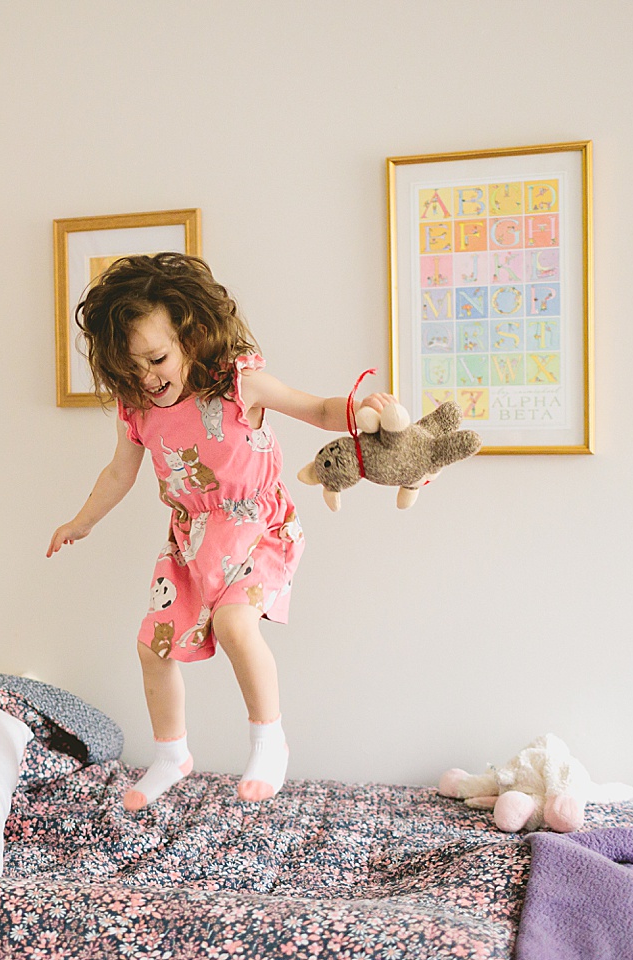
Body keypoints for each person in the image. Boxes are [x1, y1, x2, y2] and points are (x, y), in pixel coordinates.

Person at [46, 253, 391, 808]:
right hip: (191, 541)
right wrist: (80, 523)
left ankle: (269, 740)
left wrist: (362, 411)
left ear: (193, 335)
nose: (147, 378)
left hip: (259, 525)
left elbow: (319, 411)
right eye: (131, 369)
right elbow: (118, 472)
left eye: (157, 360)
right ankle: (171, 755)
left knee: (234, 623)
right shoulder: (137, 410)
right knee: (151, 647)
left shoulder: (238, 385)